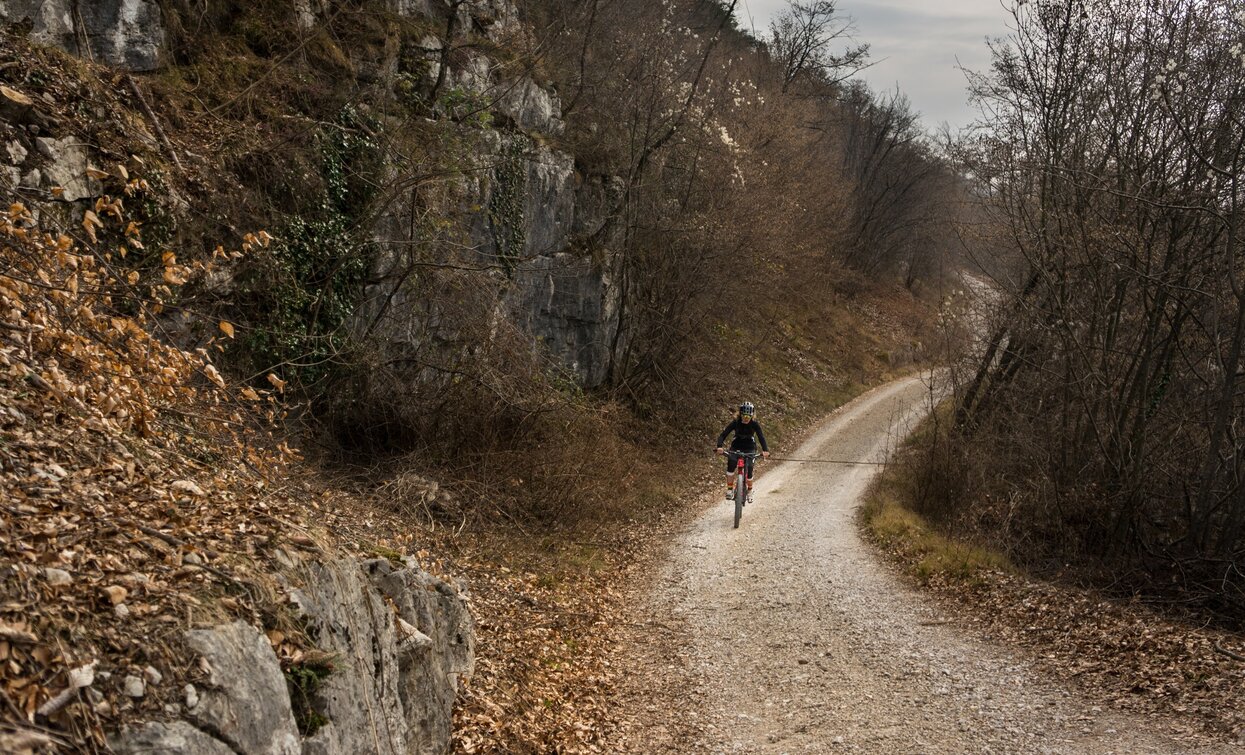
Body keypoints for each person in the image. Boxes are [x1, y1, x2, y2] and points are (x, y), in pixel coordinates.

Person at [715, 401, 770, 500]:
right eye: (744, 416)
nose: (746, 419)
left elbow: (761, 437)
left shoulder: (754, 424)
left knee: (749, 468)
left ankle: (749, 491)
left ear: (752, 416)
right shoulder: (736, 422)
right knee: (731, 463)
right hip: (736, 446)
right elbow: (723, 434)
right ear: (740, 414)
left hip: (750, 447)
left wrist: (765, 450)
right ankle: (730, 489)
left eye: (748, 417)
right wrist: (719, 446)